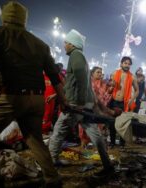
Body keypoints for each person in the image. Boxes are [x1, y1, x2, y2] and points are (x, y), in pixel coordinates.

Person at [0, 1, 67, 187]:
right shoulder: (40, 44)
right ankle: (53, 178)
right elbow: (55, 77)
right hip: (37, 99)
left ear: (5, 17)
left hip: (12, 97)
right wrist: (63, 101)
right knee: (34, 139)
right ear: (24, 20)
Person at [48, 29, 114, 177]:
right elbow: (73, 83)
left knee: (59, 130)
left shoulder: (76, 56)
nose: (64, 45)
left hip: (76, 104)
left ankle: (51, 161)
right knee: (95, 134)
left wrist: (77, 103)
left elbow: (82, 82)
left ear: (72, 44)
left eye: (66, 43)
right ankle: (107, 164)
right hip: (83, 103)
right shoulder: (79, 56)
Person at [109, 56, 139, 147]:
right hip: (113, 100)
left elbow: (137, 90)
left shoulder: (132, 77)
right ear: (121, 63)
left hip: (124, 103)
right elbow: (109, 88)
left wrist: (132, 100)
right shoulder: (114, 73)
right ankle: (112, 142)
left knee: (123, 123)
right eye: (125, 63)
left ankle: (122, 143)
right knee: (112, 122)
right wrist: (111, 86)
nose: (127, 65)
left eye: (129, 64)